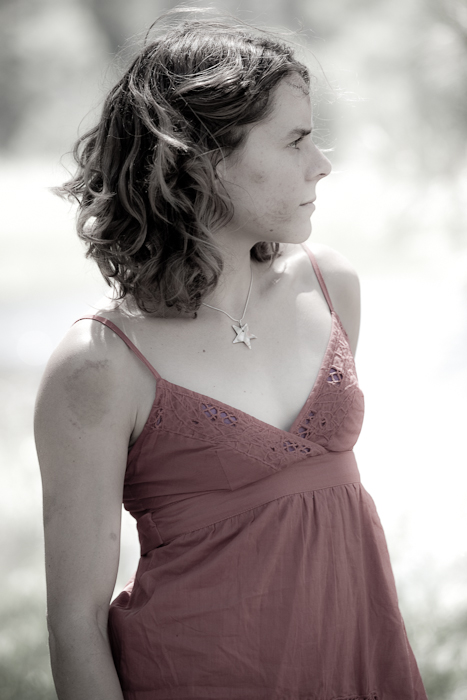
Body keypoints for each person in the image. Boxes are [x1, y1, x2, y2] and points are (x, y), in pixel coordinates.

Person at [34, 10, 428, 700]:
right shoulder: (99, 364)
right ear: (201, 158)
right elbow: (75, 625)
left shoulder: (329, 287)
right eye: (295, 140)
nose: (321, 164)